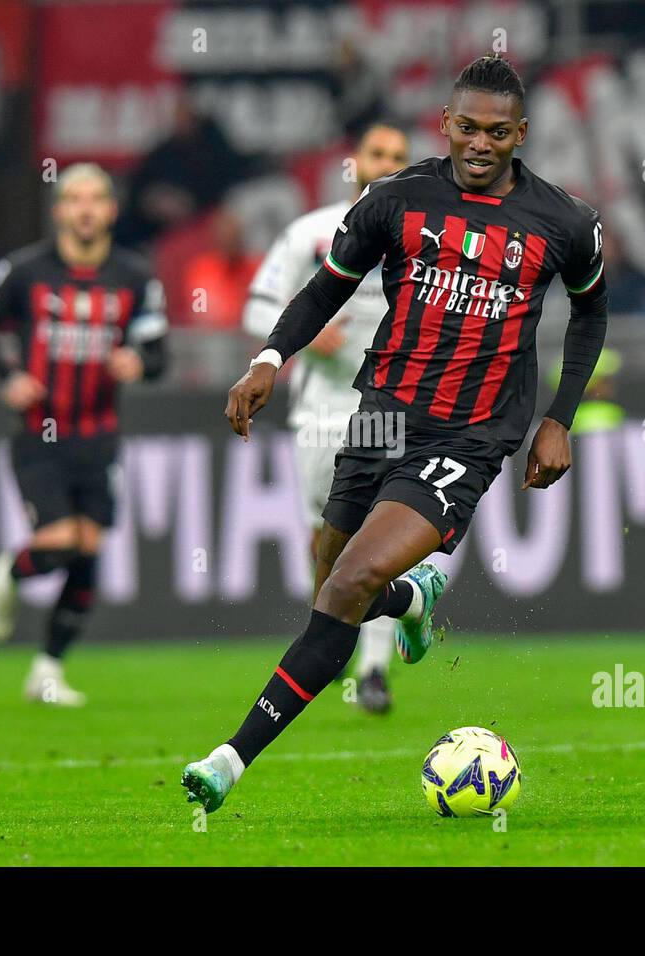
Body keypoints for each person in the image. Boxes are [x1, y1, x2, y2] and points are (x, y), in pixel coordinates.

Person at [182, 54, 608, 813]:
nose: (480, 144)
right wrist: (269, 360)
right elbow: (325, 288)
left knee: (347, 585)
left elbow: (591, 311)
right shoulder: (395, 199)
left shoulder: (565, 222)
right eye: (467, 128)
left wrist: (558, 418)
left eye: (497, 132)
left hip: (472, 434)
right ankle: (413, 602)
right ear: (445, 124)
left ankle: (228, 760)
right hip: (379, 411)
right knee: (330, 586)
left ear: (522, 134)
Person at [0, 163, 168, 705]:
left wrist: (139, 362)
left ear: (110, 210)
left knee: (88, 554)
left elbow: (158, 351)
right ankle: (10, 570)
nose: (84, 209)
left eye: (95, 199)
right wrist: (8, 376)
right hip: (40, 435)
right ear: (58, 211)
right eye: (73, 199)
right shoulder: (24, 270)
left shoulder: (133, 275)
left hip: (99, 436)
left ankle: (47, 670)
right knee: (58, 545)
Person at [242, 121, 411, 714]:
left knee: (382, 531)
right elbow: (258, 308)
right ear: (354, 162)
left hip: (388, 403)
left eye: (398, 155)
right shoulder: (311, 233)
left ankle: (372, 670)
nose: (387, 162)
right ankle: (372, 626)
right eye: (377, 152)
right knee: (328, 540)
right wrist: (308, 341)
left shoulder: (421, 235)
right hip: (321, 410)